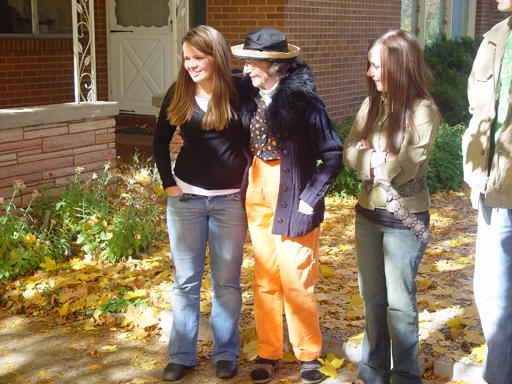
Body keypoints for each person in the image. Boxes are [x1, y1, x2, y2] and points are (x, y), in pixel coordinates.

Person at [231, 28, 344, 384]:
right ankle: (269, 352)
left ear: (276, 65)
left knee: (297, 279)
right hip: (256, 190)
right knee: (264, 279)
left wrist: (311, 197)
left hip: (294, 194)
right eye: (246, 61)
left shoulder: (306, 104)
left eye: (252, 62)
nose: (246, 69)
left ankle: (308, 354)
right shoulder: (248, 97)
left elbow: (333, 155)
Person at [153, 25, 250, 382]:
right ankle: (181, 355)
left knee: (226, 282)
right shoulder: (179, 92)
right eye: (186, 58)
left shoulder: (241, 90)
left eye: (198, 57)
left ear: (216, 55)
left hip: (230, 203)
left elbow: (278, 97)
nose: (191, 65)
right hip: (187, 200)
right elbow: (159, 141)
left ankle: (226, 353)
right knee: (186, 282)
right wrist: (170, 187)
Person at [343, 29, 441, 384]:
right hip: (367, 214)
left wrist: (368, 158)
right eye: (369, 65)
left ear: (399, 66)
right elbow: (347, 151)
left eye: (376, 66)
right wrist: (374, 155)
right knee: (372, 298)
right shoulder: (372, 105)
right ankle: (372, 372)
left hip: (404, 219)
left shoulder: (423, 112)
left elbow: (404, 168)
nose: (370, 73)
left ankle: (404, 377)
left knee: (399, 305)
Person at [463, 1, 512, 382]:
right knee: (492, 297)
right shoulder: (494, 39)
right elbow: (478, 114)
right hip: (494, 193)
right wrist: (475, 174)